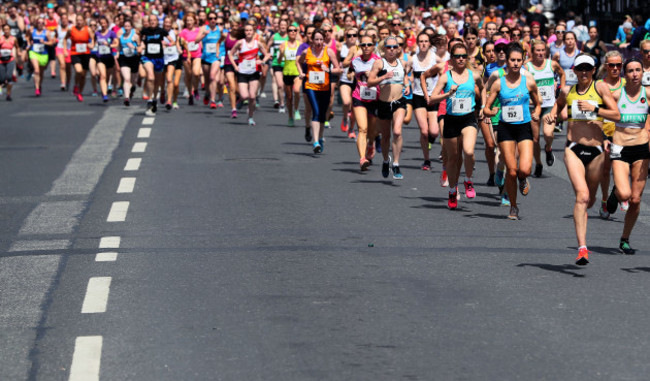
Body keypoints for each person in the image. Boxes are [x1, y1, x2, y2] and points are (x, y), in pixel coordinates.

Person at [545, 54, 620, 265]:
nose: (584, 72)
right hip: (573, 148)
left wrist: (595, 109)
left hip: (596, 150)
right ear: (575, 71)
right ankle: (582, 248)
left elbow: (616, 115)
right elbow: (557, 105)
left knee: (591, 199)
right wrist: (552, 115)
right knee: (582, 196)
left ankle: (588, 215)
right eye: (580, 69)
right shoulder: (567, 90)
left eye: (588, 68)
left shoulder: (601, 88)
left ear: (594, 70)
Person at [484, 43, 541, 220]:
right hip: (506, 127)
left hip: (524, 127)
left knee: (524, 170)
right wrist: (491, 112)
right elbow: (486, 107)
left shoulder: (529, 82)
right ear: (507, 62)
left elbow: (538, 103)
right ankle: (513, 207)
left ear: (523, 60)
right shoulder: (499, 83)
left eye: (518, 60)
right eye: (512, 60)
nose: (515, 63)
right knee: (512, 170)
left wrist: (537, 113)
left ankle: (523, 179)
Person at [428, 43, 484, 208]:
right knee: (452, 159)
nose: (460, 59)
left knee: (468, 151)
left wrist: (483, 107)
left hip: (468, 119)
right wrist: (448, 94)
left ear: (467, 58)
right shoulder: (446, 77)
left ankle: (468, 180)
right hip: (451, 119)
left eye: (463, 56)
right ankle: (452, 191)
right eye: (457, 56)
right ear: (452, 58)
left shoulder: (474, 75)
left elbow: (484, 88)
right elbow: (432, 99)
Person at [605, 58, 650, 254]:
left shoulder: (648, 94)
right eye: (630, 70)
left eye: (637, 70)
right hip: (620, 147)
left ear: (642, 73)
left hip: (641, 148)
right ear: (625, 74)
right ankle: (615, 193)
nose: (634, 74)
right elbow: (599, 117)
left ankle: (625, 238)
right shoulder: (616, 95)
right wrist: (605, 138)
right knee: (624, 194)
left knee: (635, 199)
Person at [367, 36, 411, 180]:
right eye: (389, 47)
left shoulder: (402, 62)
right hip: (383, 103)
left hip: (399, 102)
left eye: (394, 47)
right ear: (384, 48)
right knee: (385, 136)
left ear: (398, 48)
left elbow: (405, 77)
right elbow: (369, 82)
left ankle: (396, 164)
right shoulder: (379, 63)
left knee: (397, 132)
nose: (392, 50)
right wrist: (383, 77)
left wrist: (407, 86)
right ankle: (386, 160)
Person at [525, 39, 565, 177]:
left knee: (548, 134)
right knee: (535, 139)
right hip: (533, 107)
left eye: (543, 50)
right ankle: (539, 164)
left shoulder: (551, 64)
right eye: (538, 50)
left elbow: (562, 74)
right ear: (532, 51)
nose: (541, 53)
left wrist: (561, 88)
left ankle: (548, 148)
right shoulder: (526, 66)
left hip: (549, 106)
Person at [296, 28, 341, 153]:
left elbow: (338, 69)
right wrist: (301, 73)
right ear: (312, 40)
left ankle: (320, 137)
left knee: (322, 114)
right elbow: (298, 62)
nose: (319, 42)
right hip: (310, 86)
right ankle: (315, 142)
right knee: (315, 111)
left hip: (325, 87)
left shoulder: (329, 52)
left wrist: (329, 70)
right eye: (316, 39)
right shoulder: (307, 52)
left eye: (321, 39)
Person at [596, 51, 625, 219]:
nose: (615, 68)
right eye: (612, 65)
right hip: (605, 133)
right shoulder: (599, 85)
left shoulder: (628, 83)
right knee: (606, 170)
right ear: (606, 66)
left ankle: (618, 191)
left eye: (618, 65)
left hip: (625, 133)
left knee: (623, 168)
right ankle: (605, 200)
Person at [228, 23, 271, 125]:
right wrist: (235, 66)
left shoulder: (258, 43)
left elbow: (267, 54)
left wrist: (262, 61)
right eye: (246, 30)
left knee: (252, 96)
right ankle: (241, 101)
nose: (248, 32)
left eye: (250, 30)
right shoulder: (240, 43)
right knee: (244, 95)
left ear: (253, 32)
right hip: (242, 72)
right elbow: (230, 54)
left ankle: (250, 117)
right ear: (244, 32)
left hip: (254, 72)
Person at [349, 34, 380, 170]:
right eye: (363, 45)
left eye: (369, 45)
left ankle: (371, 143)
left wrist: (372, 75)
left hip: (375, 98)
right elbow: (350, 71)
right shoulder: (355, 60)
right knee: (362, 128)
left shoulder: (379, 61)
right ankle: (362, 158)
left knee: (372, 131)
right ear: (360, 46)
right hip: (359, 97)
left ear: (373, 46)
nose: (366, 47)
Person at [410, 32, 440, 173]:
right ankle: (426, 159)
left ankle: (430, 140)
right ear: (417, 43)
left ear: (429, 43)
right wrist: (406, 85)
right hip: (418, 96)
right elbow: (408, 75)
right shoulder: (413, 59)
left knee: (434, 131)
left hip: (433, 97)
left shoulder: (436, 59)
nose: (423, 43)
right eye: (420, 41)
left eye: (425, 41)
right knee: (424, 131)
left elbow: (445, 72)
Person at [140, 14, 171, 115]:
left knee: (157, 82)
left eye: (154, 20)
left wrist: (167, 44)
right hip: (148, 57)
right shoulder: (145, 31)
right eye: (151, 20)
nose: (153, 22)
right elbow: (141, 41)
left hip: (159, 58)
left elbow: (172, 41)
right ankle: (149, 100)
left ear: (157, 21)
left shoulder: (161, 31)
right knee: (150, 77)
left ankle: (154, 99)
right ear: (148, 22)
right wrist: (140, 46)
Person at [194, 12, 225, 109]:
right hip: (206, 58)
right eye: (211, 18)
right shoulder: (204, 28)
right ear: (208, 19)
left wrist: (221, 52)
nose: (213, 20)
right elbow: (196, 41)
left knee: (212, 77)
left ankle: (213, 100)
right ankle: (207, 93)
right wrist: (203, 34)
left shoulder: (220, 30)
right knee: (207, 79)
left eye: (214, 18)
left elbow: (223, 42)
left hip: (216, 57)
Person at [278, 24, 302, 127]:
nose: (292, 32)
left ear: (297, 32)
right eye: (290, 30)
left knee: (296, 90)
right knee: (289, 97)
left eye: (294, 30)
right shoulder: (283, 44)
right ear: (287, 32)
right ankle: (290, 117)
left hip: (297, 72)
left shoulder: (300, 44)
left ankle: (296, 109)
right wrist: (281, 53)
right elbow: (279, 61)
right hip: (287, 72)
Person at [66, 14, 92, 102]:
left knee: (83, 75)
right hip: (75, 53)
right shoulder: (71, 29)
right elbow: (65, 39)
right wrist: (66, 50)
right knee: (78, 71)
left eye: (81, 20)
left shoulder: (88, 29)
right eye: (77, 20)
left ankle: (80, 92)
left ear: (84, 21)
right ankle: (76, 85)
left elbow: (93, 39)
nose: (79, 22)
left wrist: (91, 44)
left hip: (85, 53)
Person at [27, 17, 56, 96]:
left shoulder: (46, 33)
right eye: (39, 23)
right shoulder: (32, 31)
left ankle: (39, 85)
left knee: (41, 72)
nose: (40, 24)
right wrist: (29, 43)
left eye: (42, 23)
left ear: (44, 24)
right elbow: (28, 38)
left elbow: (51, 43)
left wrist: (44, 42)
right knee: (36, 70)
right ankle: (36, 88)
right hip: (34, 52)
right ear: (36, 23)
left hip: (43, 53)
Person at [179, 12, 202, 106]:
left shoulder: (198, 30)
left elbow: (201, 40)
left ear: (194, 21)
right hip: (186, 55)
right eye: (187, 20)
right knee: (188, 75)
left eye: (191, 20)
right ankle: (190, 94)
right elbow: (180, 42)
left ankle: (195, 89)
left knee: (196, 73)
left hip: (197, 54)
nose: (189, 22)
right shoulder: (183, 32)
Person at [94, 16, 119, 103]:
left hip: (109, 57)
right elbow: (94, 43)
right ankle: (104, 94)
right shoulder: (97, 33)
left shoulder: (111, 33)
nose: (103, 25)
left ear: (107, 24)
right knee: (103, 76)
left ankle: (105, 87)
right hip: (100, 57)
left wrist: (109, 45)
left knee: (107, 76)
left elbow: (116, 44)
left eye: (104, 23)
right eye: (102, 24)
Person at [118, 19, 140, 107]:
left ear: (131, 27)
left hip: (134, 58)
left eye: (128, 26)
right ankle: (126, 98)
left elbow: (139, 49)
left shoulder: (135, 36)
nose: (126, 28)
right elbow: (119, 47)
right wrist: (117, 54)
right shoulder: (121, 37)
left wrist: (134, 47)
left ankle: (133, 87)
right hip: (124, 58)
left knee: (133, 81)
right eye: (125, 26)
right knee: (126, 79)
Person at [162, 17, 182, 110]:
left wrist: (179, 49)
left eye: (169, 23)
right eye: (166, 22)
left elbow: (176, 42)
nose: (167, 24)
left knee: (169, 79)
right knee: (161, 81)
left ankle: (169, 100)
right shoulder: (159, 32)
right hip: (162, 58)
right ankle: (162, 92)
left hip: (172, 58)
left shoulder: (174, 33)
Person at [0, 24, 17, 101]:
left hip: (10, 60)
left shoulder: (14, 39)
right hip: (1, 60)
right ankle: (1, 88)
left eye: (7, 29)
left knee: (9, 77)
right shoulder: (0, 38)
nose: (6, 31)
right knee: (2, 78)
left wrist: (19, 53)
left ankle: (8, 94)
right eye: (5, 29)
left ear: (10, 30)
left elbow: (17, 47)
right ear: (3, 30)